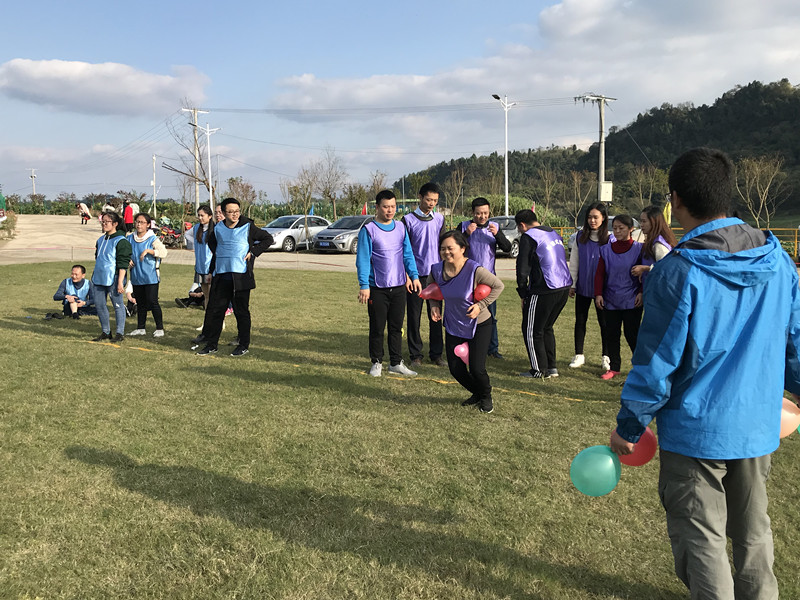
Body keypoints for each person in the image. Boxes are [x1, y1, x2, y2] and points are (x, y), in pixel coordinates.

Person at [610, 147, 800, 599]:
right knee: (753, 531)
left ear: (675, 199)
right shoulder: (779, 261)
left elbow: (656, 362)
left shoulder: (676, 271)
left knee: (702, 538)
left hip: (696, 431)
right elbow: (795, 337)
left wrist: (630, 425)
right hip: (755, 423)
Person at [430, 230, 504, 413]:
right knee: (456, 369)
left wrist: (481, 305)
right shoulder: (437, 270)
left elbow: (498, 286)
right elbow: (431, 289)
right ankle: (477, 393)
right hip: (453, 324)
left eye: (450, 248)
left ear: (462, 248)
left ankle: (486, 396)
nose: (446, 252)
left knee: (477, 368)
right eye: (442, 249)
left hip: (479, 323)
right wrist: (434, 305)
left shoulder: (474, 269)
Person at [195, 197, 274, 357]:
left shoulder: (248, 226)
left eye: (237, 211)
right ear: (224, 213)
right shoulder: (217, 228)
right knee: (217, 311)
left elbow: (268, 239)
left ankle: (243, 345)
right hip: (221, 277)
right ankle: (212, 345)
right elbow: (213, 245)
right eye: (230, 212)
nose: (235, 214)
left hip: (241, 278)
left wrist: (253, 252)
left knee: (241, 312)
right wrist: (212, 270)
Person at [357, 189, 421, 377]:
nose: (390, 210)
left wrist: (414, 276)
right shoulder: (368, 230)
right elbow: (363, 259)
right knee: (377, 327)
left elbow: (408, 254)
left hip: (399, 287)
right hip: (377, 288)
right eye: (386, 207)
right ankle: (376, 362)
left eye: (393, 206)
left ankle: (396, 363)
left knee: (396, 327)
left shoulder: (400, 228)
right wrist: (364, 285)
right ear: (377, 207)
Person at [514, 210, 572, 379]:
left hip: (544, 288)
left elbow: (522, 268)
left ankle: (538, 369)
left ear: (522, 225)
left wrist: (523, 292)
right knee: (546, 327)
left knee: (531, 330)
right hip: (563, 286)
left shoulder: (529, 237)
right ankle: (551, 367)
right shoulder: (552, 232)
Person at [459, 197, 511, 359]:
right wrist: (466, 234)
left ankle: (492, 349)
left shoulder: (494, 227)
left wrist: (498, 235)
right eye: (478, 213)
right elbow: (454, 245)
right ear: (472, 213)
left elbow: (507, 248)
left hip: (488, 280)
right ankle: (466, 345)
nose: (482, 216)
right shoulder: (464, 226)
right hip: (467, 278)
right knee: (466, 314)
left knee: (490, 316)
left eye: (485, 213)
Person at [593, 215, 643, 380]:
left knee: (632, 334)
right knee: (612, 334)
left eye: (621, 228)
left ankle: (640, 368)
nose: (617, 231)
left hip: (632, 300)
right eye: (615, 228)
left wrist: (641, 292)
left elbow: (644, 275)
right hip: (611, 299)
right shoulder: (605, 250)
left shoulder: (639, 249)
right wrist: (598, 294)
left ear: (631, 229)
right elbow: (600, 274)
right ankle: (614, 367)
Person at [401, 182, 445, 367]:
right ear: (420, 197)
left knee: (436, 315)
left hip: (435, 276)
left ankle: (437, 354)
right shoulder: (407, 220)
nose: (431, 203)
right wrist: (408, 275)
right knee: (414, 316)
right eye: (428, 199)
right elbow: (403, 250)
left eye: (435, 200)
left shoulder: (440, 219)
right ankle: (415, 355)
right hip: (416, 276)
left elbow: (443, 246)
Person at [568, 203, 611, 370]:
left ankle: (606, 356)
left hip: (603, 290)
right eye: (589, 217)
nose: (592, 220)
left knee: (604, 323)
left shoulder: (610, 239)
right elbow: (574, 262)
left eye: (596, 217)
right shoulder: (580, 237)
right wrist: (572, 284)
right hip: (583, 287)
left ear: (603, 218)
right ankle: (579, 355)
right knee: (580, 321)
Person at [90, 211, 132, 342]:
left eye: (107, 222)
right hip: (98, 278)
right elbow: (98, 258)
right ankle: (106, 331)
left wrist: (120, 282)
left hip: (114, 278)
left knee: (117, 305)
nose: (104, 224)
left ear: (115, 224)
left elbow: (123, 263)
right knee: (99, 304)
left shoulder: (121, 241)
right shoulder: (100, 240)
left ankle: (120, 333)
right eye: (102, 222)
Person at [126, 213, 167, 337]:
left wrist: (149, 251)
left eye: (142, 222)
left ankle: (159, 328)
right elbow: (124, 252)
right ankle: (141, 328)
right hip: (136, 276)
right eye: (137, 222)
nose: (139, 225)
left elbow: (163, 252)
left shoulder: (152, 238)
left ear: (148, 225)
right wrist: (128, 259)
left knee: (153, 302)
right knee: (140, 303)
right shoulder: (129, 238)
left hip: (150, 276)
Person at [630, 205, 678, 282]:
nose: (641, 225)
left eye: (644, 221)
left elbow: (666, 268)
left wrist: (645, 268)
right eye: (641, 221)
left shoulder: (659, 244)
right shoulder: (652, 240)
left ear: (654, 222)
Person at [192, 204, 215, 308]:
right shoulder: (197, 227)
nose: (200, 218)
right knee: (206, 295)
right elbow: (187, 235)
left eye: (202, 215)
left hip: (210, 267)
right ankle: (207, 315)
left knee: (212, 294)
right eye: (199, 215)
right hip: (200, 266)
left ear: (209, 216)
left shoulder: (215, 228)